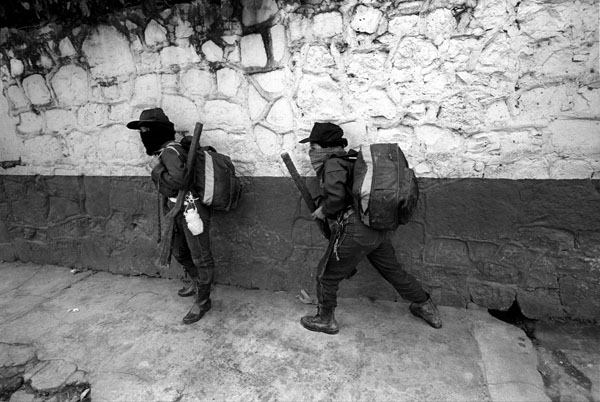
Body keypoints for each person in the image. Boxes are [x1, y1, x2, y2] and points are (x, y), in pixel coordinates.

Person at [299, 122, 442, 334]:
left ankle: (325, 319)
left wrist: (324, 210)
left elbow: (336, 199)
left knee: (326, 275)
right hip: (376, 227)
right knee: (393, 271)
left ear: (324, 147)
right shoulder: (351, 161)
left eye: (313, 147)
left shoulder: (332, 164)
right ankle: (425, 306)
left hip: (355, 230)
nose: (311, 152)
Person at [127, 108, 214, 324]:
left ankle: (203, 301)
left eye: (147, 130)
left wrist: (156, 171)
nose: (143, 134)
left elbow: (179, 180)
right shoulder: (164, 152)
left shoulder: (169, 152)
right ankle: (197, 283)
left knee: (200, 257)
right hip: (176, 209)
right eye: (142, 130)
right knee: (179, 250)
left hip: (191, 209)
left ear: (159, 131)